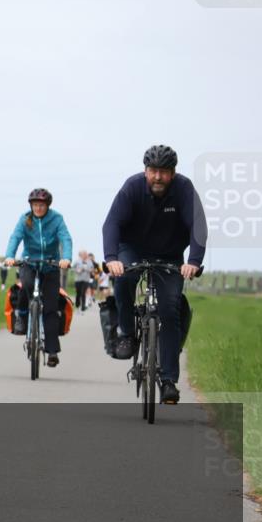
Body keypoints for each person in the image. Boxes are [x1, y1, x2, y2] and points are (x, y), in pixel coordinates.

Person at [102, 145, 207, 405]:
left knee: (169, 310)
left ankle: (169, 381)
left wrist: (193, 261)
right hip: (132, 249)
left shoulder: (184, 190)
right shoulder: (132, 188)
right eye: (153, 171)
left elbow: (198, 226)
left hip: (170, 255)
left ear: (173, 173)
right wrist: (112, 258)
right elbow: (112, 223)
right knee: (124, 278)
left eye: (163, 172)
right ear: (145, 170)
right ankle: (127, 333)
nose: (157, 177)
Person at [3, 188, 73, 367]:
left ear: (47, 206)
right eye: (35, 205)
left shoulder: (56, 219)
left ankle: (52, 352)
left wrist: (66, 258)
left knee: (50, 308)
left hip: (51, 266)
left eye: (41, 205)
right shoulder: (25, 219)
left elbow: (65, 238)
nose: (38, 208)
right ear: (31, 205)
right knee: (25, 285)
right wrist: (10, 256)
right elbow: (15, 237)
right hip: (30, 263)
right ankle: (22, 316)